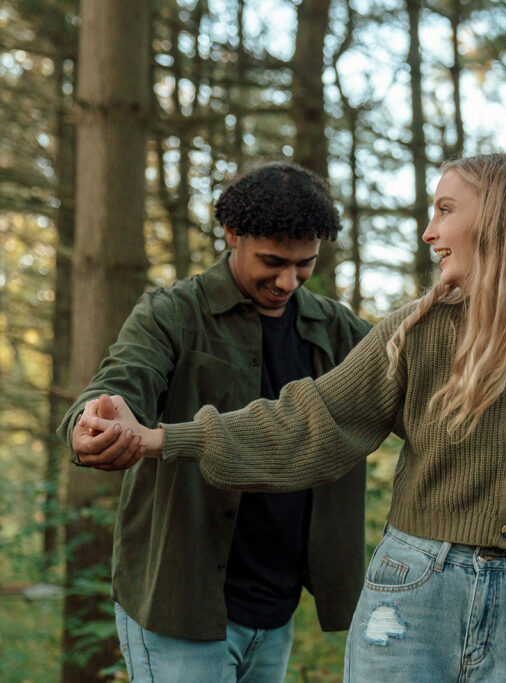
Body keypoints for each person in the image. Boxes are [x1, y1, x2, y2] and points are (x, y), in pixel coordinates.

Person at [80, 153, 506, 682]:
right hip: (344, 589)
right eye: (272, 262)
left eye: (444, 210)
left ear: (500, 220)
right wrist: (152, 435)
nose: (428, 232)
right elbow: (309, 420)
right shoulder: (411, 331)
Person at [62, 162, 373, 682]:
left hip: (275, 608)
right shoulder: (172, 313)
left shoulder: (337, 329)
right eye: (272, 262)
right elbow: (120, 382)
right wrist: (90, 422)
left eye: (304, 265)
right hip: (180, 605)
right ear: (232, 235)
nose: (287, 281)